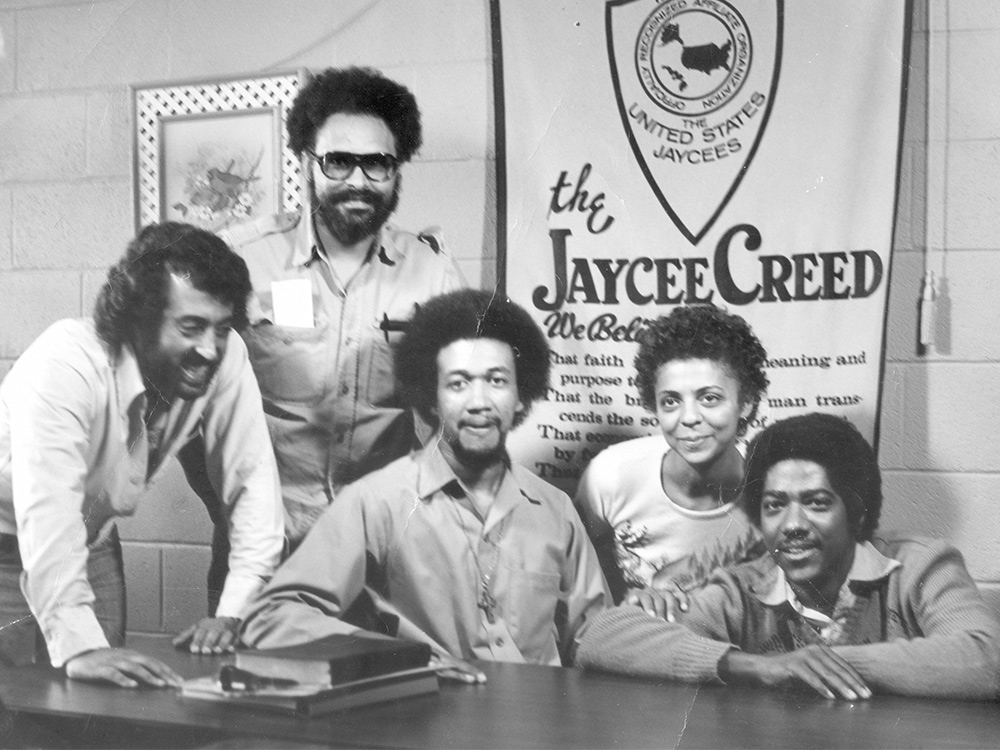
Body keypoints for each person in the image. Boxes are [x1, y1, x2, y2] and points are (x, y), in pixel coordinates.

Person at [240, 289, 610, 680]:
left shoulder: (555, 509)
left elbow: (592, 635)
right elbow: (272, 617)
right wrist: (400, 658)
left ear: (521, 396)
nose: (479, 401)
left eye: (497, 381)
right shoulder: (377, 502)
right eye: (458, 384)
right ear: (431, 397)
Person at [0, 222, 284, 687]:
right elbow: (48, 516)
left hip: (88, 545)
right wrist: (81, 646)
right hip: (18, 540)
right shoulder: (64, 363)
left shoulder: (223, 354)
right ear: (140, 318)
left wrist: (234, 610)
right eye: (191, 326)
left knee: (100, 712)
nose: (210, 348)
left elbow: (253, 484)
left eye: (223, 327)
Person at [576, 413, 1000, 700]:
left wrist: (822, 666)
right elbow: (600, 639)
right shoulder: (744, 588)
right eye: (775, 505)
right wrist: (760, 668)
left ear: (856, 511)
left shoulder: (921, 566)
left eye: (816, 502)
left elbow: (987, 657)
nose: (792, 524)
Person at [219, 66, 465, 551]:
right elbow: (189, 404)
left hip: (382, 542)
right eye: (338, 161)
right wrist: (233, 508)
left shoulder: (433, 272)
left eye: (378, 164)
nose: (358, 180)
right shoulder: (242, 258)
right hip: (263, 544)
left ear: (397, 169)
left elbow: (457, 410)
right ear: (307, 162)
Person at [574, 304, 769, 610]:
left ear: (745, 403)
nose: (688, 417)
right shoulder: (611, 475)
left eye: (709, 398)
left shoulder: (773, 488)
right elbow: (583, 584)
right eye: (671, 401)